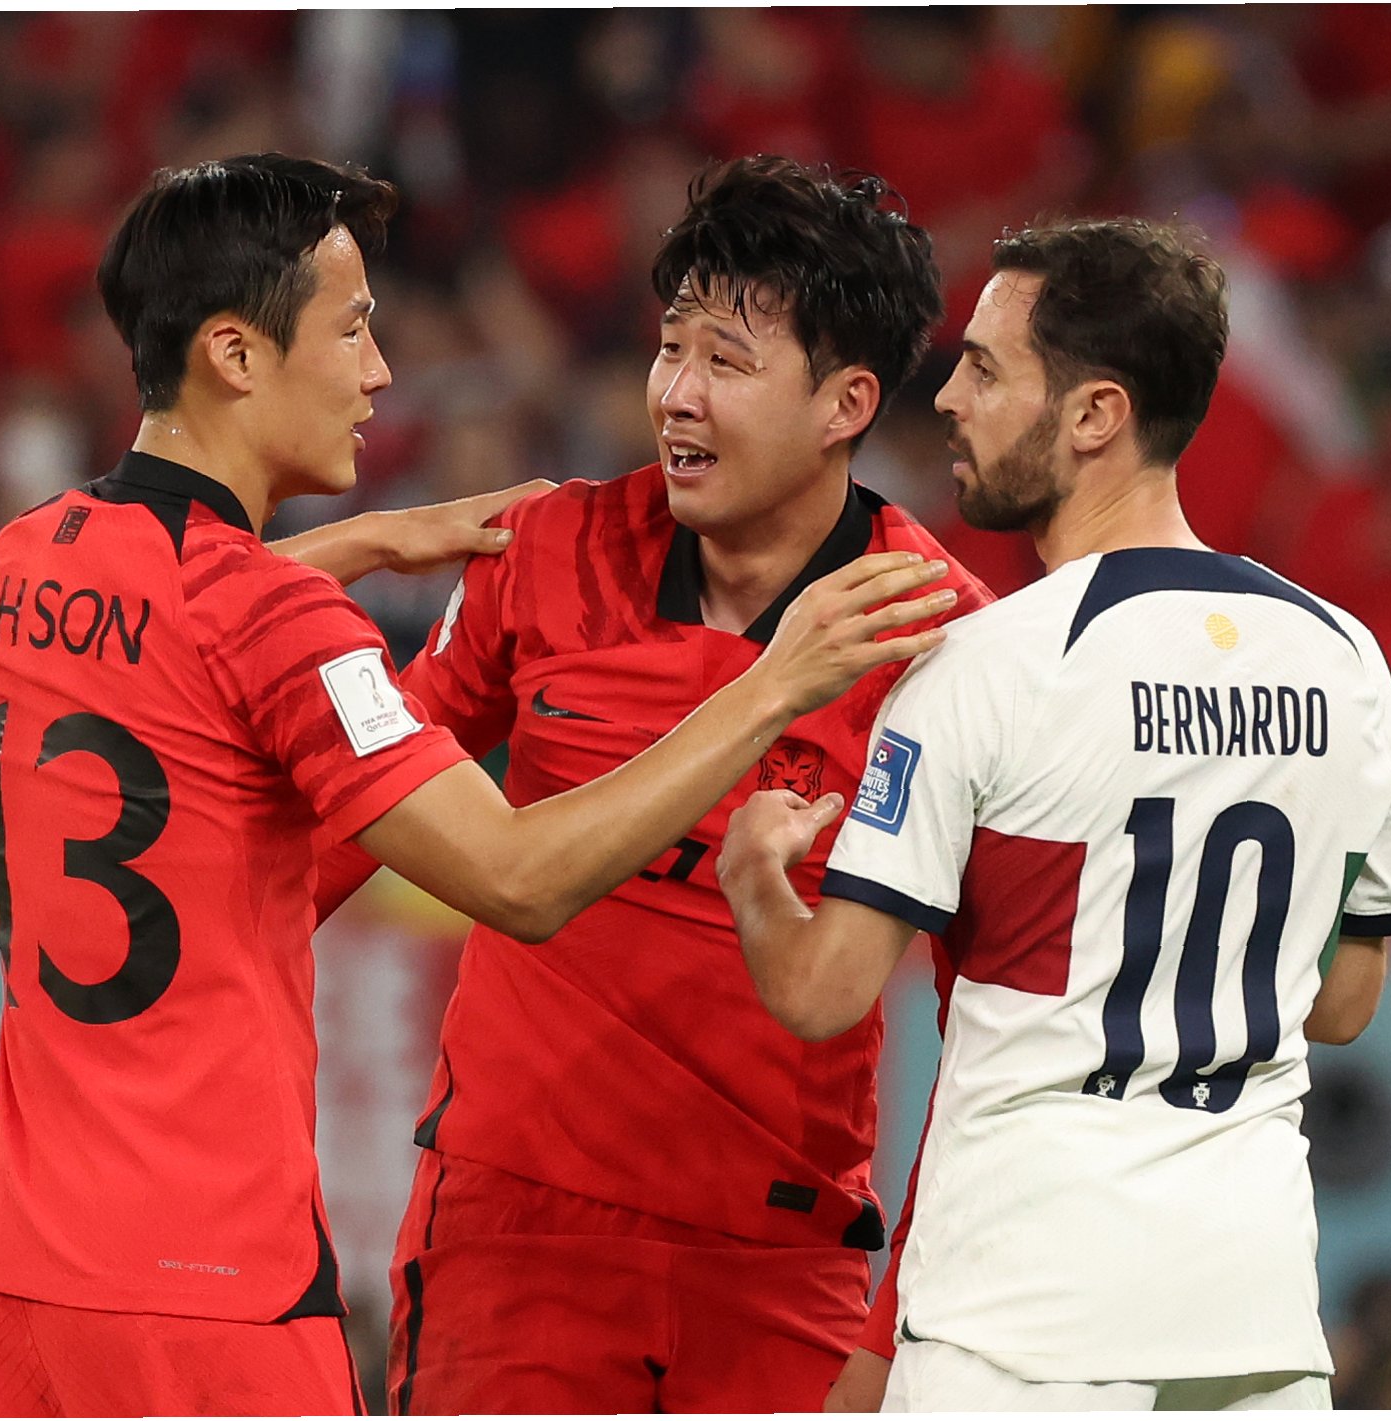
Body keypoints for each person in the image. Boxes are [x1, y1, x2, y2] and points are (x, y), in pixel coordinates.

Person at [0, 152, 954, 1419]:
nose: (380, 373)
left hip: (26, 1248)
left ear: (847, 401)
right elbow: (501, 873)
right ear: (235, 354)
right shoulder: (505, 569)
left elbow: (188, 619)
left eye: (726, 361)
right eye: (352, 330)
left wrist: (354, 543)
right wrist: (771, 688)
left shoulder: (20, 560)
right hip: (305, 1264)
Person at [307, 155, 991, 1414]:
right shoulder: (547, 550)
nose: (675, 393)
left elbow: (987, 1022)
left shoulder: (942, 639)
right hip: (515, 1231)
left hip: (783, 1262)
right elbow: (343, 826)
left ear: (846, 401)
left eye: (726, 361)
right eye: (670, 347)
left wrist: (894, 1325)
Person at [719, 216, 1391, 1411]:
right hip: (1252, 1329)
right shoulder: (1345, 658)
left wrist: (751, 871)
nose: (949, 398)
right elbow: (1344, 1000)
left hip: (1017, 1328)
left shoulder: (985, 665)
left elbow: (824, 990)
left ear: (1095, 414)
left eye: (986, 370)